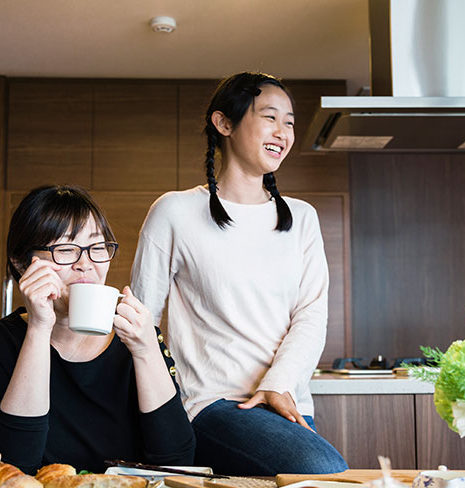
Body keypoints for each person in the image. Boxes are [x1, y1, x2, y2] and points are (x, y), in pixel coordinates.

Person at [130, 72, 348, 475]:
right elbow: (139, 321)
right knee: (324, 471)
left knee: (317, 473)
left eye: (290, 121)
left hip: (285, 401)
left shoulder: (302, 218)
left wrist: (277, 383)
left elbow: (312, 316)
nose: (283, 131)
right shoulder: (174, 212)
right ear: (224, 123)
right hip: (210, 405)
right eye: (270, 117)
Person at [0, 185, 195, 474]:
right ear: (22, 263)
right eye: (65, 250)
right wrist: (38, 328)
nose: (86, 265)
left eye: (97, 248)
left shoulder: (138, 337)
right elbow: (14, 468)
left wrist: (146, 350)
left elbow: (177, 463)